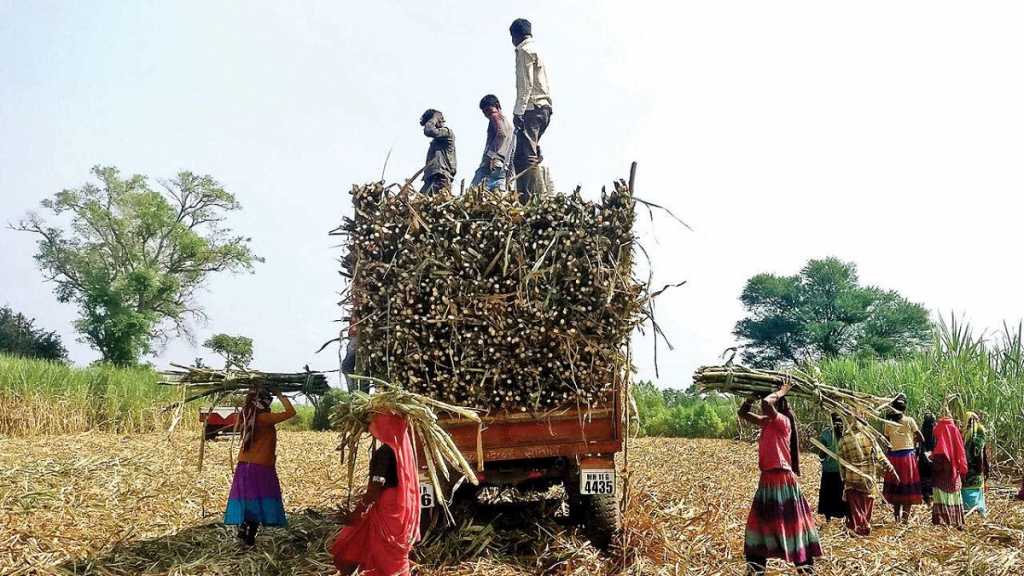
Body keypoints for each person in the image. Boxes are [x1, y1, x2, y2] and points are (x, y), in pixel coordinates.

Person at [738, 383, 822, 576]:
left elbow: (767, 403)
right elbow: (742, 413)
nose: (764, 406)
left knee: (793, 526)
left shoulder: (783, 421)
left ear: (779, 405)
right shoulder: (767, 422)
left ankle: (805, 569)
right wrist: (751, 397)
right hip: (767, 482)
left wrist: (783, 390)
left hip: (783, 481)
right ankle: (755, 570)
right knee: (758, 527)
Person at [332, 412, 421, 575]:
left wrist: (359, 510)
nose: (372, 426)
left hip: (387, 507)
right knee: (395, 553)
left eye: (376, 422)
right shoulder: (404, 449)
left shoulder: (385, 453)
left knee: (385, 556)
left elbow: (376, 486)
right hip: (400, 507)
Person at [224, 390, 296, 546]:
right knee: (259, 500)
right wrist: (281, 394)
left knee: (248, 499)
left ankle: (245, 530)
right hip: (261, 466)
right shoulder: (264, 418)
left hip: (244, 466)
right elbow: (291, 412)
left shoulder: (248, 415)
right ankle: (249, 534)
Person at [509, 18, 553, 203]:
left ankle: (528, 197)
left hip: (532, 108)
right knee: (529, 152)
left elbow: (525, 85)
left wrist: (518, 111)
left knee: (524, 157)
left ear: (516, 35)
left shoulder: (524, 51)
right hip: (544, 109)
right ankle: (535, 192)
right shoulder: (538, 49)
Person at [837, 420, 898, 536]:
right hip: (869, 478)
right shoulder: (869, 437)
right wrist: (892, 470)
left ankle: (861, 527)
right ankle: (864, 526)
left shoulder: (843, 440)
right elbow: (881, 457)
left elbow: (842, 463)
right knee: (867, 505)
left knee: (856, 507)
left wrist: (843, 478)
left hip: (852, 479)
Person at [881, 394, 925, 522]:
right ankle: (905, 519)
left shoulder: (888, 423)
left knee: (896, 486)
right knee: (908, 487)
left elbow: (887, 441)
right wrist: (911, 442)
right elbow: (921, 437)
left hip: (894, 458)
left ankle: (897, 518)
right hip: (907, 458)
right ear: (904, 408)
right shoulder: (909, 421)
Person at [931, 412, 968, 528]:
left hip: (942, 477)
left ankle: (944, 521)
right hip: (954, 474)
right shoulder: (955, 431)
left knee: (942, 496)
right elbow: (960, 454)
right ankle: (956, 521)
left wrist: (930, 459)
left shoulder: (941, 436)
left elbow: (939, 460)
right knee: (955, 496)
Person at [470, 94, 514, 191]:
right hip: (502, 166)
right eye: (484, 112)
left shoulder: (495, 117)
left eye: (489, 111)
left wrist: (490, 156)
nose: (487, 115)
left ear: (498, 106)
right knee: (497, 195)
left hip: (492, 163)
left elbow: (501, 134)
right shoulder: (509, 125)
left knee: (473, 193)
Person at [815, 413, 848, 523]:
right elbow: (821, 455)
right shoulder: (842, 435)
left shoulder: (829, 434)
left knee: (834, 494)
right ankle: (834, 518)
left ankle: (834, 518)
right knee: (835, 494)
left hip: (836, 471)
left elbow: (821, 455)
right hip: (836, 471)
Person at [419, 109, 456, 195]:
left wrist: (434, 117)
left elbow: (429, 131)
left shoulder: (447, 133)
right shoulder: (435, 142)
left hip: (440, 177)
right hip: (431, 179)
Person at [961, 411, 991, 518]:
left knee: (967, 496)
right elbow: (983, 456)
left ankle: (968, 514)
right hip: (977, 473)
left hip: (966, 474)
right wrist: (987, 471)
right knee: (978, 495)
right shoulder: (980, 434)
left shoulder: (963, 435)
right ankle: (980, 516)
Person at [918, 412, 937, 505]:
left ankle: (926, 497)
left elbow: (920, 444)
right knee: (931, 477)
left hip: (923, 458)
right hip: (933, 457)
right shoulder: (935, 430)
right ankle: (931, 498)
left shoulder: (922, 430)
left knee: (924, 478)